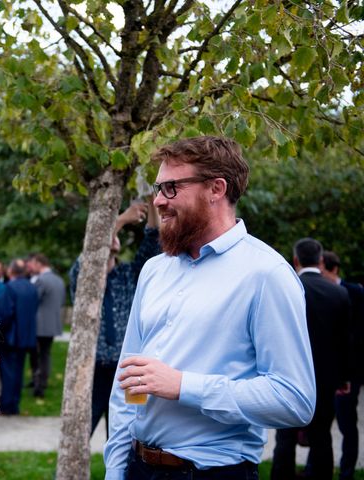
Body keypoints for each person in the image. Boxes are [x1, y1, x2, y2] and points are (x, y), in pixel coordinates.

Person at [104, 136, 316, 479]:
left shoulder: (266, 274)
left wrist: (184, 386)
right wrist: (116, 470)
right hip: (138, 467)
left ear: (216, 189)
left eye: (171, 188)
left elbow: (295, 400)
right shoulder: (154, 270)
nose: (158, 200)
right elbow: (127, 382)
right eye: (159, 188)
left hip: (213, 472)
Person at [69, 197, 161, 437]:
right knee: (81, 433)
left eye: (116, 234)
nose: (114, 238)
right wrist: (121, 219)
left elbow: (153, 241)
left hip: (125, 370)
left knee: (123, 433)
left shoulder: (128, 274)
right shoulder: (83, 275)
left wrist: (152, 203)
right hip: (92, 370)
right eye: (111, 234)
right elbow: (95, 245)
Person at [271, 238, 351, 480]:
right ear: (321, 260)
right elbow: (343, 341)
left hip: (288, 374)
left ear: (295, 260)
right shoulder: (338, 293)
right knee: (322, 438)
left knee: (285, 437)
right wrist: (344, 377)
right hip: (324, 379)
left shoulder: (287, 289)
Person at [322, 250, 363, 480]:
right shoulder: (321, 291)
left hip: (349, 369)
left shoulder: (355, 292)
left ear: (333, 269)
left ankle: (347, 472)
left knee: (347, 424)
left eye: (323, 269)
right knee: (322, 424)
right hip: (327, 369)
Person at [0, 258, 38, 414]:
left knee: (8, 372)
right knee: (18, 372)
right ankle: (14, 404)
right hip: (26, 336)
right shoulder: (32, 288)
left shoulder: (10, 288)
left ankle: (7, 405)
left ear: (11, 271)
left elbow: (5, 314)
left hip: (11, 336)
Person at [25, 253, 66, 397]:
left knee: (37, 355)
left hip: (39, 324)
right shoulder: (59, 280)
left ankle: (38, 384)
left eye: (34, 263)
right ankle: (42, 381)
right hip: (53, 323)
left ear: (39, 264)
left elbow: (33, 300)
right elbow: (61, 302)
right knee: (46, 354)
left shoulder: (41, 280)